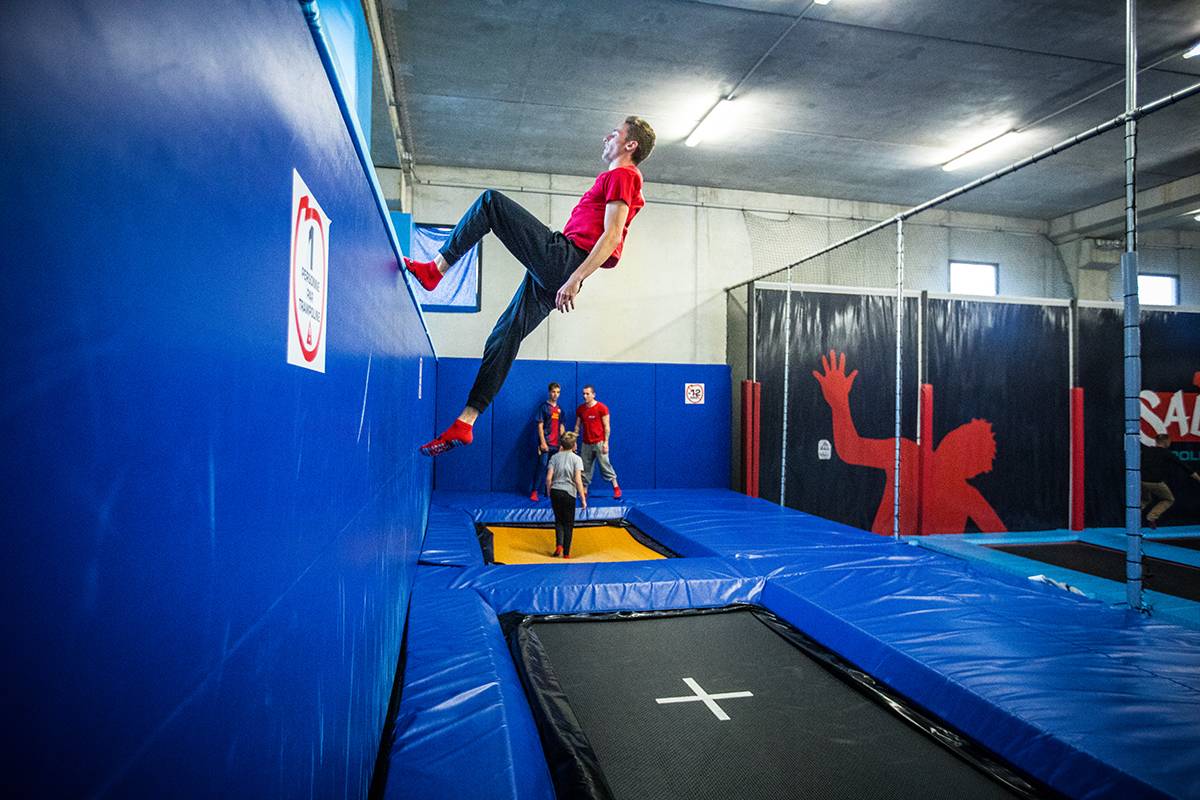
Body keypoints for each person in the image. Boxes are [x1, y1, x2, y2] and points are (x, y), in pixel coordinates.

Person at [409, 116, 657, 456]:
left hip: (566, 262)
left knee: (490, 203)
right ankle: (467, 420)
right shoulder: (618, 178)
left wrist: (575, 277)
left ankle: (436, 270)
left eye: (615, 133)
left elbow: (612, 235)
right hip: (561, 271)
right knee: (504, 336)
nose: (606, 136)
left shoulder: (624, 175)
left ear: (631, 145)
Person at [812, 350, 1005, 535]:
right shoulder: (906, 453)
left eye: (970, 451)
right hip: (886, 555)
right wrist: (839, 403)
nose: (957, 447)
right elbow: (851, 450)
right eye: (961, 439)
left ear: (972, 468)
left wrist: (839, 402)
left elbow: (1002, 539)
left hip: (931, 561)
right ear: (949, 438)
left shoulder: (965, 495)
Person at [1141, 432, 1200, 529]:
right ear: (1166, 442)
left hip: (1141, 481)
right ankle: (1151, 517)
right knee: (1168, 499)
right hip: (1155, 482)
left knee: (1145, 499)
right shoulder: (1167, 453)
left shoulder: (1147, 450)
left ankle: (1132, 515)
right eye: (1169, 442)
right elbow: (1185, 467)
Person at [574, 385, 621, 499]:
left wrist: (606, 443)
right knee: (585, 468)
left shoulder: (602, 408)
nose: (585, 396)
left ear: (593, 394)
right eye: (583, 394)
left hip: (599, 443)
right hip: (586, 443)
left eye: (587, 394)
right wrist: (574, 441)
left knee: (605, 466)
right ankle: (584, 491)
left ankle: (616, 488)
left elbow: (607, 427)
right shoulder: (580, 409)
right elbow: (577, 426)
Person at [546, 431, 586, 558]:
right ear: (574, 446)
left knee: (558, 520)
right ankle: (566, 553)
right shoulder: (577, 459)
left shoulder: (554, 457)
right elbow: (578, 480)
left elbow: (548, 478)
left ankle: (559, 545)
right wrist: (583, 499)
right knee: (568, 523)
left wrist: (549, 491)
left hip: (555, 491)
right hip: (569, 493)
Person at [529, 382, 565, 502]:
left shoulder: (560, 409)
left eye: (558, 392)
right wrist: (542, 442)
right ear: (549, 392)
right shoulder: (543, 407)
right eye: (553, 392)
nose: (555, 394)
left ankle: (548, 491)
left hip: (557, 444)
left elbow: (561, 427)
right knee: (542, 466)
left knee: (554, 469)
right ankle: (534, 491)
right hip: (546, 443)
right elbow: (540, 425)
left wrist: (563, 443)